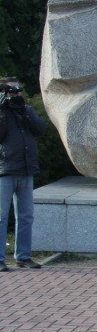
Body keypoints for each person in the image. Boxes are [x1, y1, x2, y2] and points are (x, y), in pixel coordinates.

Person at [0, 78, 47, 271]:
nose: (16, 94)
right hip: (5, 170)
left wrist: (23, 112)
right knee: (1, 216)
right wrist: (3, 111)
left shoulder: (25, 109)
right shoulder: (1, 112)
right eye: (11, 91)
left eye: (18, 91)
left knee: (26, 215)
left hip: (26, 170)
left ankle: (23, 256)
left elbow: (40, 129)